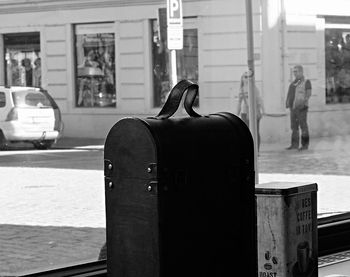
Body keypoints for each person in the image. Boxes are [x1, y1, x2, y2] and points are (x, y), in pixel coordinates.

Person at [285, 65, 312, 151]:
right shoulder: (293, 83)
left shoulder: (306, 82)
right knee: (294, 127)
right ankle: (294, 145)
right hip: (293, 108)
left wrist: (303, 103)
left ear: (301, 72)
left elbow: (308, 94)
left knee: (303, 126)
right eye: (294, 72)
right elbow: (290, 94)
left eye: (296, 71)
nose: (294, 73)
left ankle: (305, 145)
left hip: (302, 108)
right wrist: (287, 102)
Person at [237, 72, 265, 151]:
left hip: (254, 113)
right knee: (246, 132)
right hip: (244, 113)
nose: (246, 79)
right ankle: (248, 150)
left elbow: (259, 100)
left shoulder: (254, 88)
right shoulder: (241, 90)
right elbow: (239, 102)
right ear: (242, 79)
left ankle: (256, 150)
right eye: (244, 77)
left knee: (255, 132)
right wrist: (236, 113)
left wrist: (263, 110)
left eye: (248, 77)